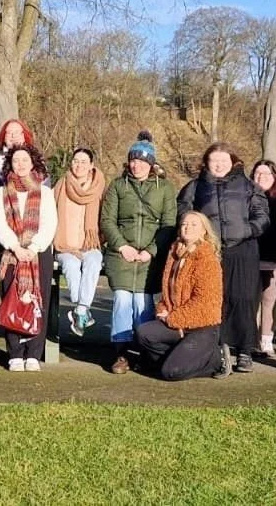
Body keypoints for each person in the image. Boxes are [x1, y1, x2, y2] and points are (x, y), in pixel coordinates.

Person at [178, 142, 268, 376]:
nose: (218, 165)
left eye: (223, 161)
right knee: (214, 300)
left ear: (233, 162)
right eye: (214, 160)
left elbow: (262, 216)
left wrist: (246, 230)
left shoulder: (249, 186)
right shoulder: (195, 186)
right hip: (209, 251)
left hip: (243, 249)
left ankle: (245, 350)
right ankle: (216, 348)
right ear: (206, 163)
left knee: (244, 298)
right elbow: (182, 212)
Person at [99, 133, 177, 374]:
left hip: (150, 256)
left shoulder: (164, 188)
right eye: (133, 160)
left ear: (152, 163)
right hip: (121, 253)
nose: (137, 165)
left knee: (143, 302)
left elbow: (169, 223)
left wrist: (151, 251)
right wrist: (123, 246)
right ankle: (120, 353)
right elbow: (107, 220)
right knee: (123, 299)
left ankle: (146, 351)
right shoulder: (117, 186)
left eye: (142, 161)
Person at [135, 211, 225, 381]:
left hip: (202, 325)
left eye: (193, 225)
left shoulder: (207, 259)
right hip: (177, 322)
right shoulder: (175, 253)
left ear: (204, 231)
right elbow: (167, 292)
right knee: (143, 333)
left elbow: (204, 303)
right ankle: (178, 357)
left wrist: (172, 319)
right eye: (184, 224)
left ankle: (214, 360)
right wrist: (162, 310)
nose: (187, 228)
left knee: (171, 372)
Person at [0, 145, 57, 371]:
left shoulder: (45, 192)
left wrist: (35, 247)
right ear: (10, 164)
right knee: (13, 300)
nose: (20, 164)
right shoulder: (2, 193)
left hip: (39, 255)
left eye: (24, 160)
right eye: (16, 160)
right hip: (11, 255)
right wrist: (15, 247)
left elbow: (50, 223)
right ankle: (15, 354)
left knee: (39, 302)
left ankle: (34, 354)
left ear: (33, 163)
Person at [52, 147, 106, 338]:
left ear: (91, 165)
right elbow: (51, 214)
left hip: (90, 244)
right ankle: (82, 309)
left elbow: (105, 218)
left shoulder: (99, 187)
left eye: (84, 162)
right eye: (76, 161)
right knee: (71, 264)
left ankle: (80, 310)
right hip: (65, 244)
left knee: (94, 262)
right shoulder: (61, 185)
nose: (79, 165)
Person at [250, 160, 276, 359]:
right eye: (258, 173)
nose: (261, 177)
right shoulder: (246, 197)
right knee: (251, 300)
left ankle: (266, 339)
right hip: (252, 257)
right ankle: (251, 339)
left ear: (275, 176)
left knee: (270, 300)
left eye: (266, 173)